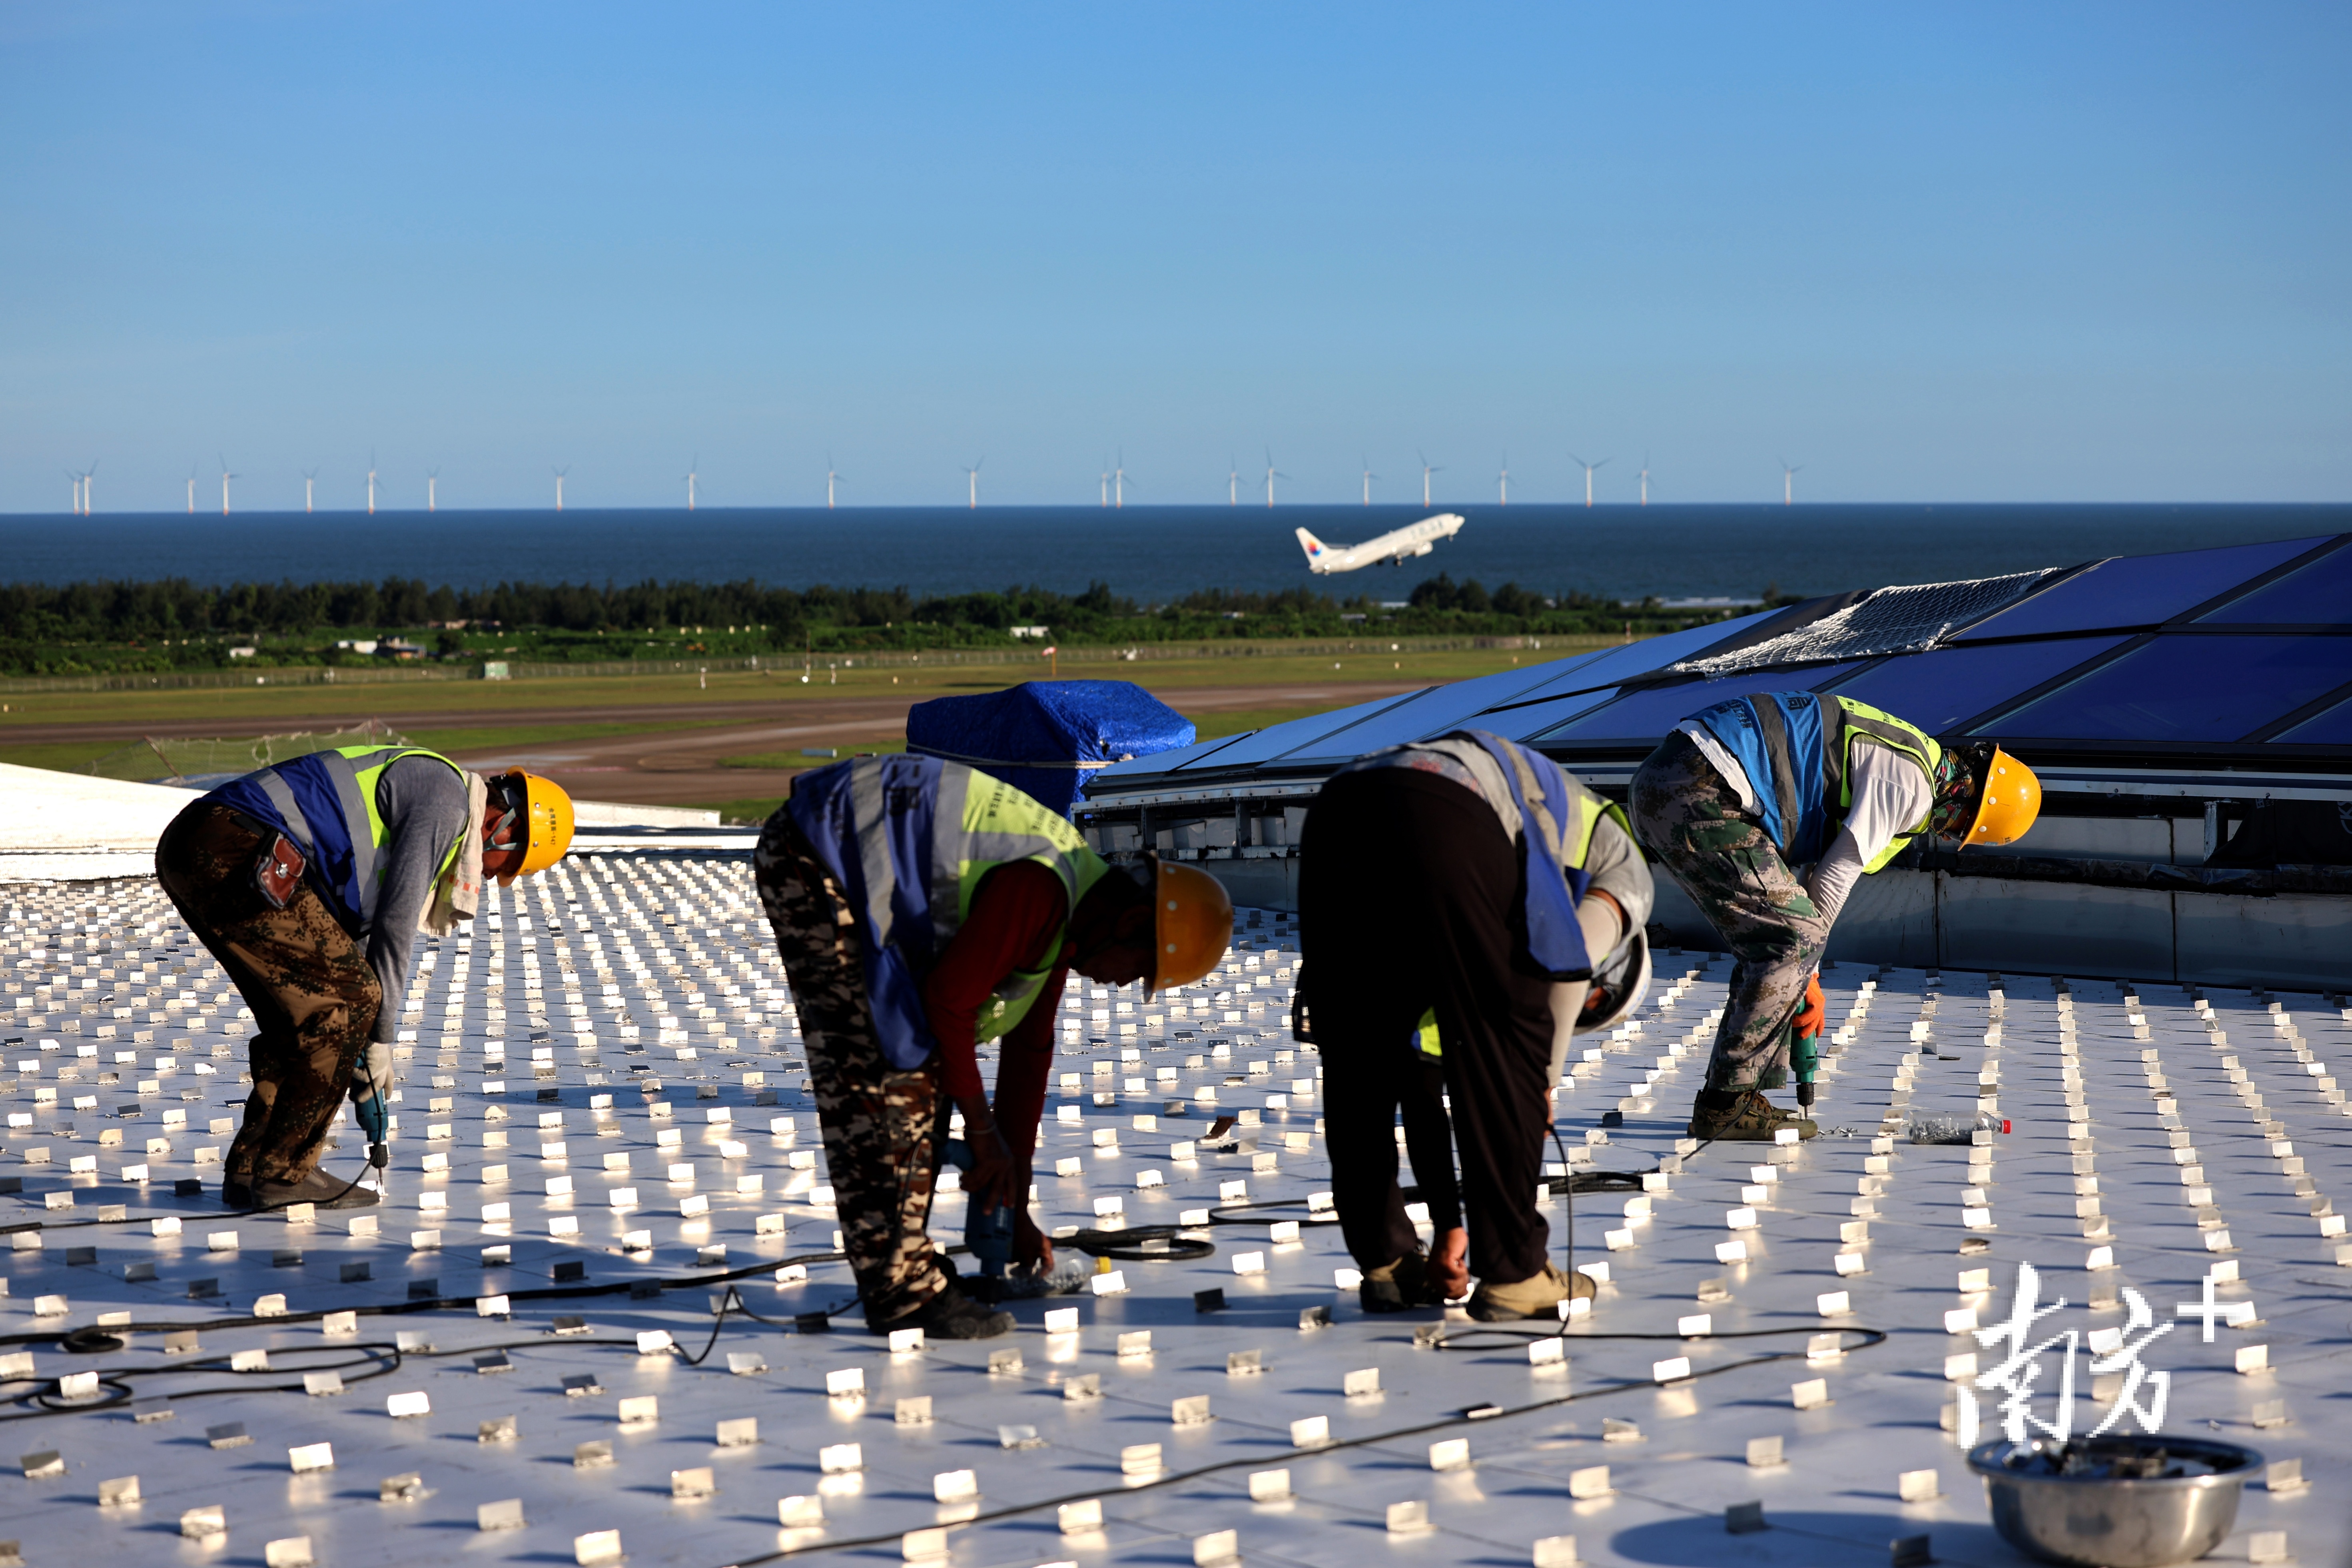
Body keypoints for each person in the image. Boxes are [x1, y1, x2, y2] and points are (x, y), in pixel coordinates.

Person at [756, 753, 1232, 1341]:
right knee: (882, 1072)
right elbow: (948, 1003)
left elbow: (1029, 1054)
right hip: (816, 851)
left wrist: (1016, 1205)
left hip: (843, 847)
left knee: (919, 1071)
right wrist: (981, 1132)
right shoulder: (1042, 888)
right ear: (1131, 923)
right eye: (1138, 971)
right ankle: (900, 1292)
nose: (1122, 984)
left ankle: (903, 1263)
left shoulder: (1069, 914)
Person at [1297, 728, 1655, 1323]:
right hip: (1441, 807)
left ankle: (1388, 1262)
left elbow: (1418, 1079)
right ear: (1614, 973)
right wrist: (1540, 1079)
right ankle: (1515, 1273)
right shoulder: (1627, 874)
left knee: (1359, 1047)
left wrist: (1449, 1225)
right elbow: (1563, 962)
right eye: (1593, 1005)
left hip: (1337, 808)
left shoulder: (1504, 871)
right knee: (1507, 1034)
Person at [155, 745, 574, 1208]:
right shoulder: (446, 799)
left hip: (204, 844)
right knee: (351, 999)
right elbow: (396, 922)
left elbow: (349, 939)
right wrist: (379, 1040)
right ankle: (286, 1172)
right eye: (509, 865)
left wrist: (360, 1050)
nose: (494, 878)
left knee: (299, 1013)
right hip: (235, 845)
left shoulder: (436, 796)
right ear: (505, 825)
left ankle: (253, 1167)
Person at [1629, 691, 2041, 1141]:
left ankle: (1739, 1096)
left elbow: (1804, 874)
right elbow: (1832, 879)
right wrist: (1808, 973)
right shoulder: (1912, 786)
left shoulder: (1910, 753)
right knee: (1792, 941)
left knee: (1777, 942)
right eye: (1959, 825)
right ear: (1966, 797)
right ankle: (1726, 1105)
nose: (1947, 833)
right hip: (1703, 789)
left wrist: (1804, 975)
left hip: (1676, 779)